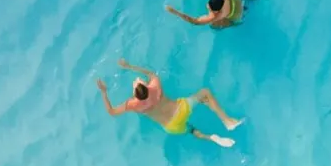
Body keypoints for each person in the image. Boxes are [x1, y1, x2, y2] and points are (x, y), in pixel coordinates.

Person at [97, 60, 243, 147]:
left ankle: (210, 137)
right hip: (181, 109)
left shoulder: (133, 104)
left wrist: (104, 91)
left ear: (135, 94)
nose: (136, 82)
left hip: (171, 126)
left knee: (192, 130)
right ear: (146, 86)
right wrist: (129, 66)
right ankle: (227, 121)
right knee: (204, 94)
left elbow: (112, 111)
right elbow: (150, 73)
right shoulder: (155, 85)